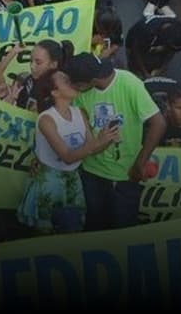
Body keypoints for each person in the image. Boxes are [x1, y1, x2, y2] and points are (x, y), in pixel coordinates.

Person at [67, 52, 166, 231]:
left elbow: (158, 123)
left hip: (126, 176)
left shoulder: (129, 83)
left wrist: (139, 164)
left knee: (123, 231)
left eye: (76, 84)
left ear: (91, 81)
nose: (73, 88)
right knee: (94, 226)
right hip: (91, 174)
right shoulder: (80, 94)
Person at [18, 69, 119, 234]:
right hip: (49, 183)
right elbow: (67, 157)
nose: (71, 81)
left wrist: (107, 139)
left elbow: (91, 149)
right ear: (54, 92)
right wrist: (98, 141)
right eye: (65, 80)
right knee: (46, 235)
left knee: (74, 231)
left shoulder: (79, 113)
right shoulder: (46, 119)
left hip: (74, 181)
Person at [0, 39, 73, 111]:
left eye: (38, 63)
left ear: (53, 64)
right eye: (31, 61)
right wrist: (14, 51)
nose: (32, 66)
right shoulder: (28, 81)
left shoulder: (59, 93)